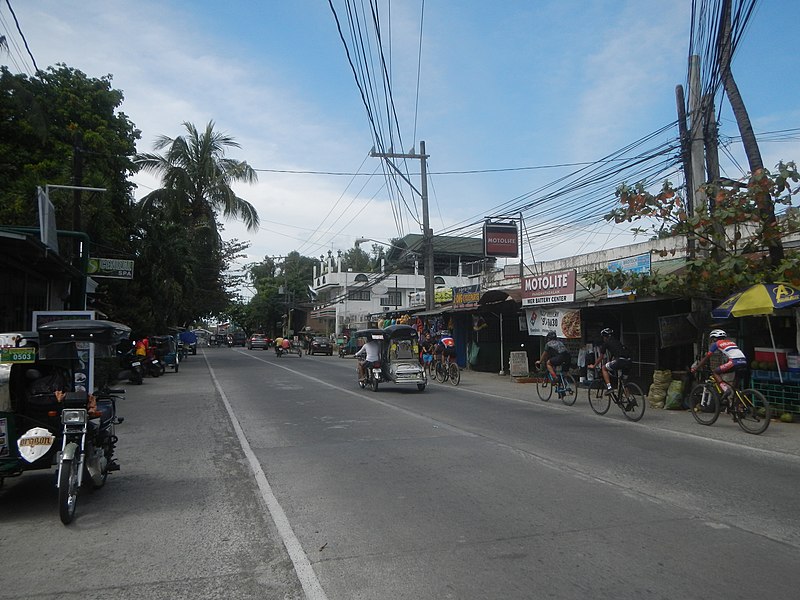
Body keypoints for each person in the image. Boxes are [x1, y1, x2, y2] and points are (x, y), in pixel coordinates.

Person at [691, 329, 747, 398]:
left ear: (714, 338)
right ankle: (736, 405)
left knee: (715, 372)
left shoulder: (716, 344)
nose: (712, 341)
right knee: (735, 387)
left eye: (712, 339)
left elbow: (706, 357)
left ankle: (725, 389)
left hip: (734, 362)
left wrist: (696, 368)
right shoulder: (731, 342)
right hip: (744, 362)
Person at [589, 328, 632, 395]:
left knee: (604, 368)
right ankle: (629, 399)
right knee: (624, 382)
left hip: (620, 361)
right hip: (628, 361)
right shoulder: (617, 342)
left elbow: (601, 357)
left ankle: (609, 388)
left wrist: (594, 366)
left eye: (603, 337)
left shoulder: (606, 343)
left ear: (605, 337)